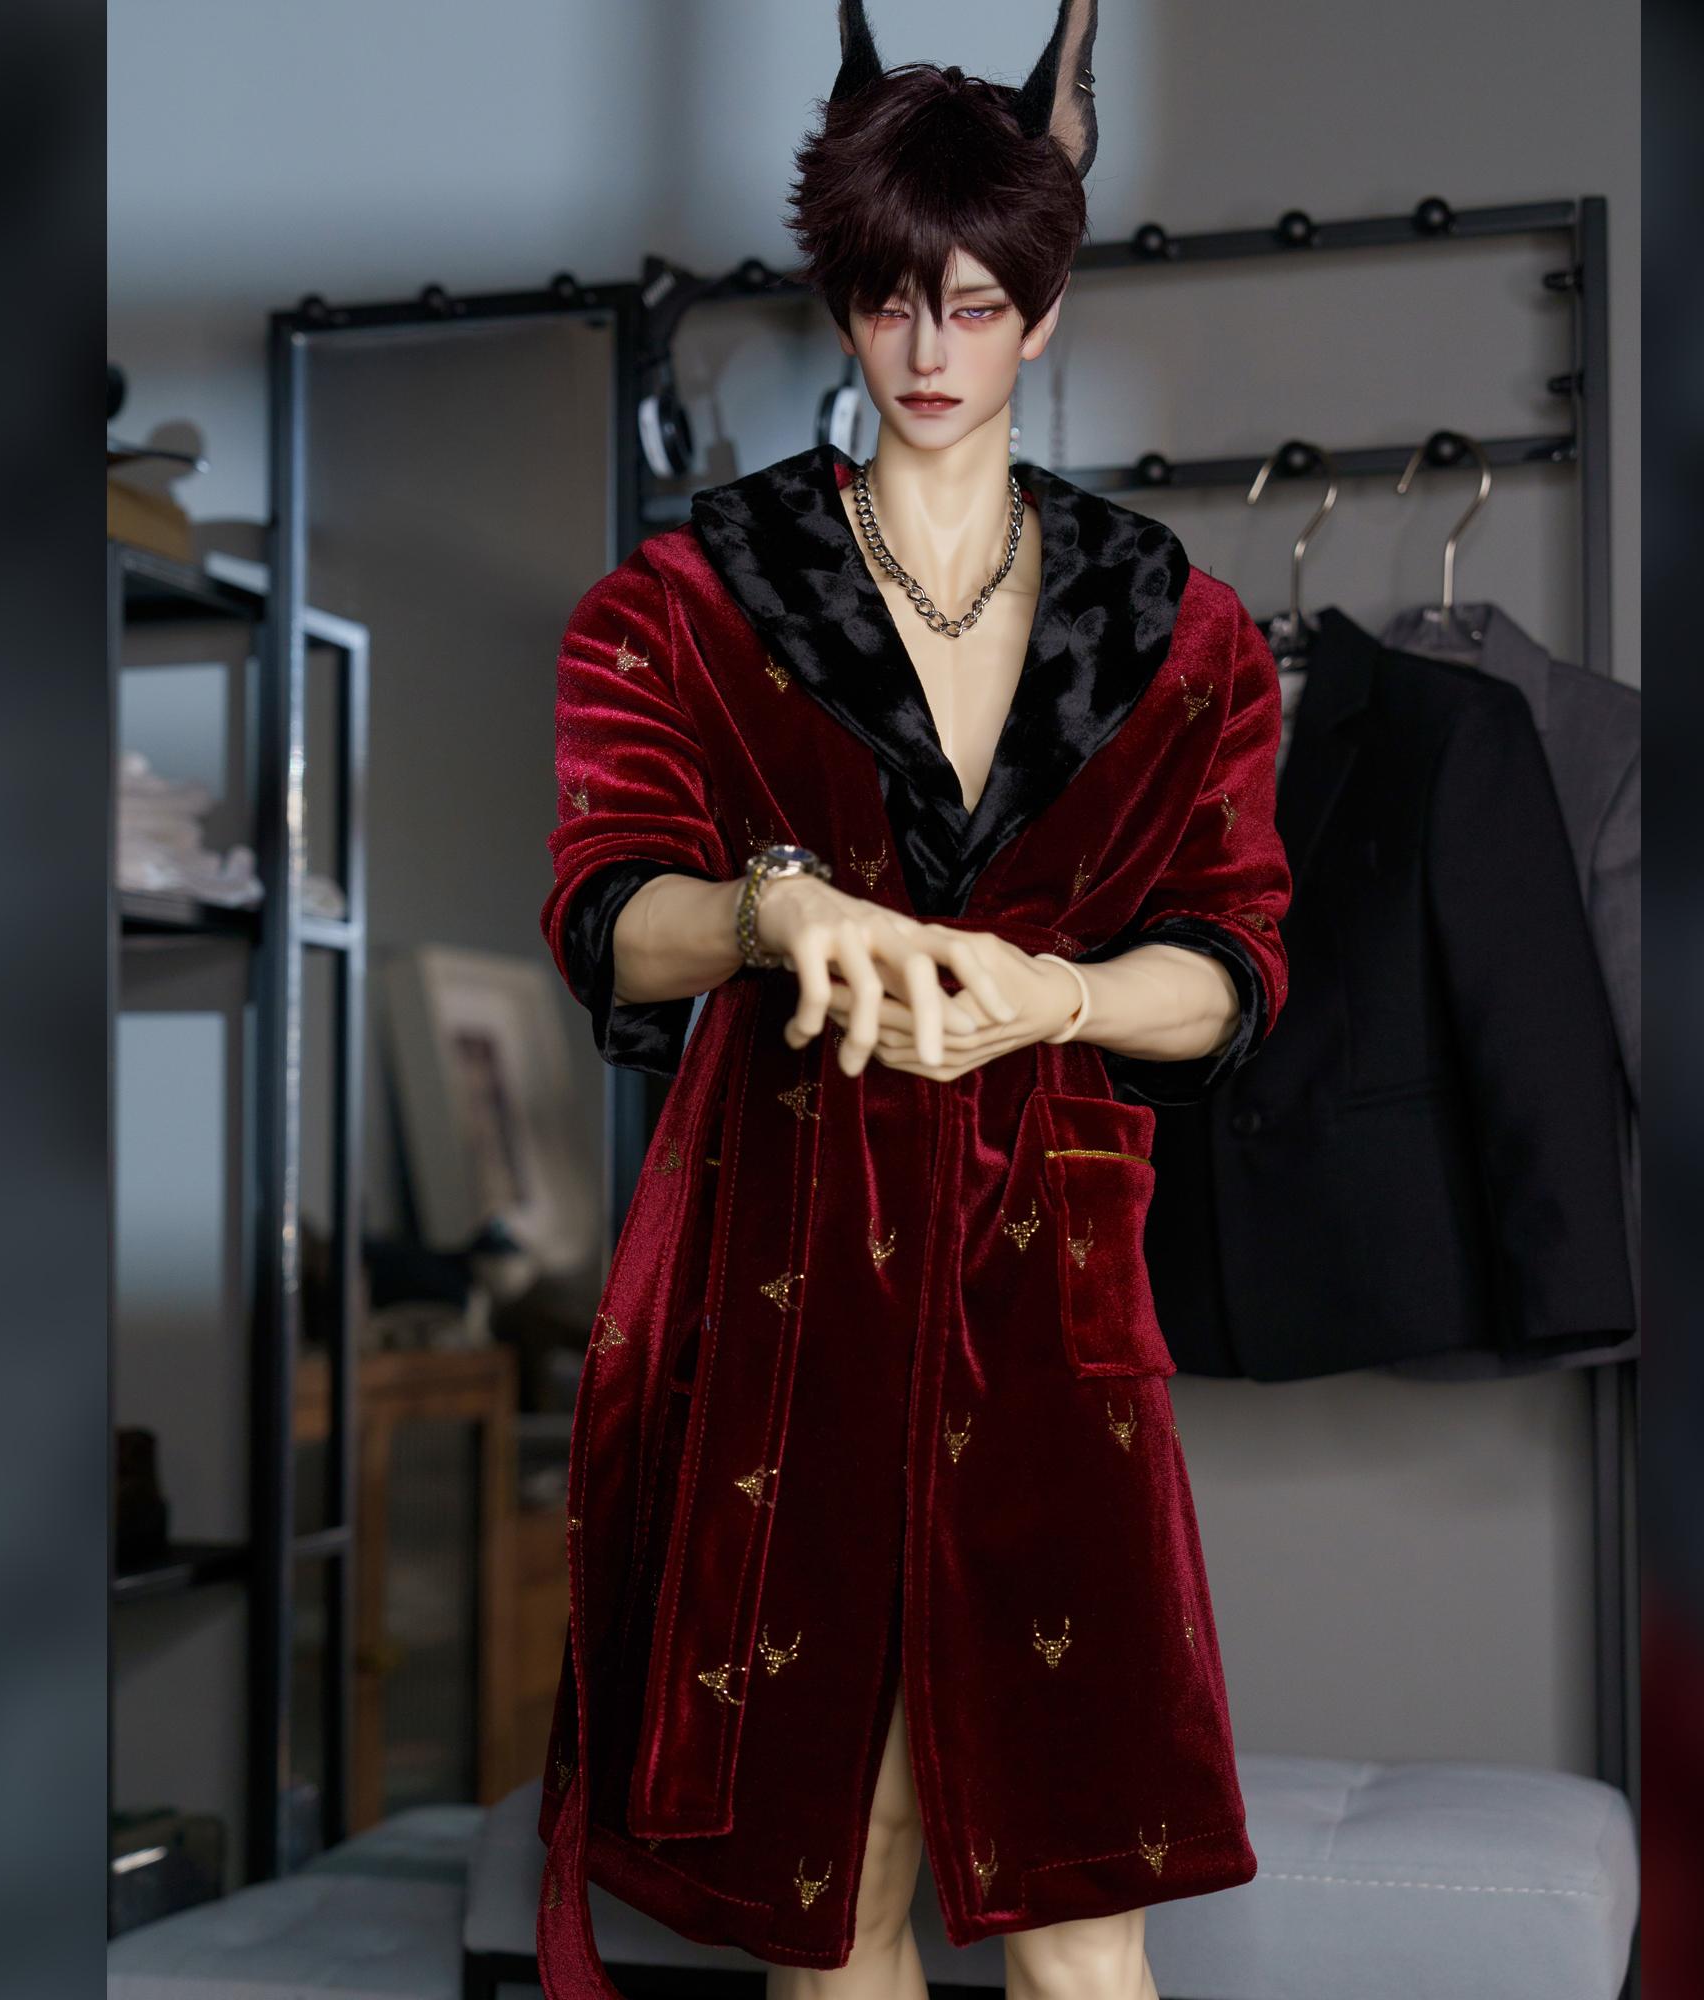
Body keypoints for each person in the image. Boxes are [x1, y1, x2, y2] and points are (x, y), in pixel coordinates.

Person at [533, 7, 1292, 1997]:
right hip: (794, 1286)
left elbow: (1233, 965)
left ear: (1042, 310)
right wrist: (771, 912)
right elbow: (603, 913)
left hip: (1052, 1291)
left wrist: (1052, 998)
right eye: (889, 302)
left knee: (1086, 1917)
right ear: (843, 305)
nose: (931, 349)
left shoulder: (1180, 627)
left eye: (973, 304)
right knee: (840, 1894)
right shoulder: (693, 599)